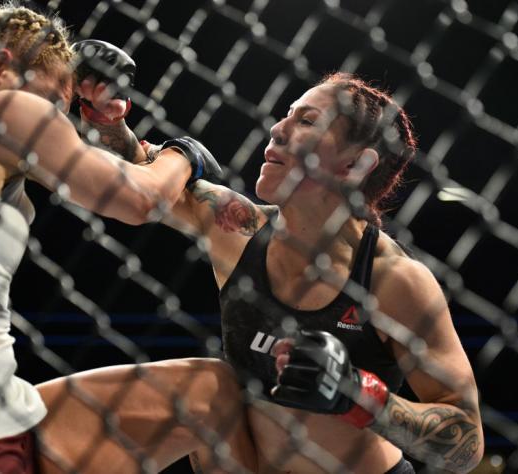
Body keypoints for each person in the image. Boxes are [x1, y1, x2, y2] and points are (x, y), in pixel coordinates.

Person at [0, 3, 255, 473]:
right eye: (55, 103)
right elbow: (142, 199)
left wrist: (108, 127)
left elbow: (98, 168)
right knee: (214, 393)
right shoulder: (3, 110)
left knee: (208, 393)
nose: (60, 117)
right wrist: (183, 154)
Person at [145, 72, 484, 473]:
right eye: (287, 114)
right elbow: (135, 170)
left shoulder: (391, 280)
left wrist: (357, 394)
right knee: (204, 384)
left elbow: (467, 440)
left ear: (354, 163)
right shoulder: (235, 227)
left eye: (306, 121)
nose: (276, 128)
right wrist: (108, 115)